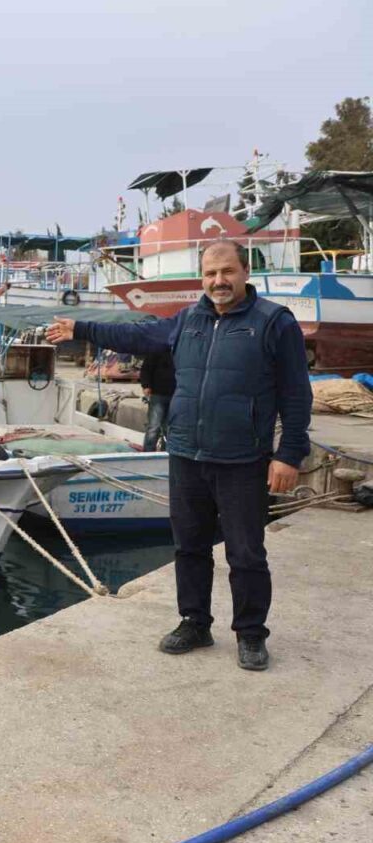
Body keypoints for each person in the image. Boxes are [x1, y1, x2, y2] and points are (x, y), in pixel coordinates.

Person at [46, 240, 311, 670]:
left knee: (245, 553)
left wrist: (290, 454)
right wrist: (82, 328)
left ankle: (250, 634)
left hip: (243, 458)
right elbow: (135, 334)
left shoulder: (273, 324)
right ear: (201, 278)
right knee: (189, 547)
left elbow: (297, 394)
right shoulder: (187, 320)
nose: (218, 281)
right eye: (209, 274)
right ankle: (194, 622)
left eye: (226, 272)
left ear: (245, 273)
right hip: (186, 454)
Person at [139, 350, 175, 451]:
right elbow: (146, 368)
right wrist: (146, 385)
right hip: (158, 394)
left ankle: (166, 452)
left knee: (169, 428)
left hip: (175, 395)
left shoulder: (180, 350)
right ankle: (148, 453)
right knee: (154, 426)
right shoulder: (157, 348)